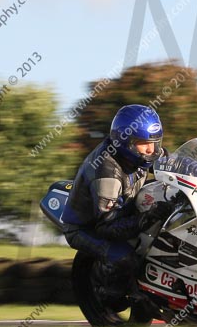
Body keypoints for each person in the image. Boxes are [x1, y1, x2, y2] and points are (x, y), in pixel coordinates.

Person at [61, 104, 173, 308]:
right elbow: (107, 226)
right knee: (125, 257)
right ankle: (109, 298)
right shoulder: (107, 170)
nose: (152, 149)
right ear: (126, 143)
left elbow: (173, 166)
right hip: (88, 227)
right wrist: (147, 218)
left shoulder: (148, 154)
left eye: (155, 143)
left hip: (124, 206)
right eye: (143, 144)